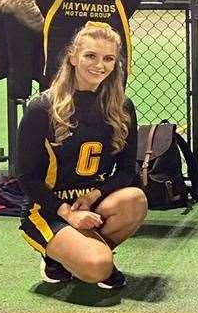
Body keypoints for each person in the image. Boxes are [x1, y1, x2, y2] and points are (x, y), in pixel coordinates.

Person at [17, 23, 146, 289]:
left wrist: (93, 195)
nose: (100, 65)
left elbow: (126, 170)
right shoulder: (42, 107)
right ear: (73, 57)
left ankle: (75, 255)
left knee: (134, 200)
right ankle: (60, 256)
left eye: (108, 59)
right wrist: (68, 213)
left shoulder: (121, 107)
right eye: (91, 56)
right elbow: (26, 178)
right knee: (98, 267)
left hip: (89, 202)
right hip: (47, 209)